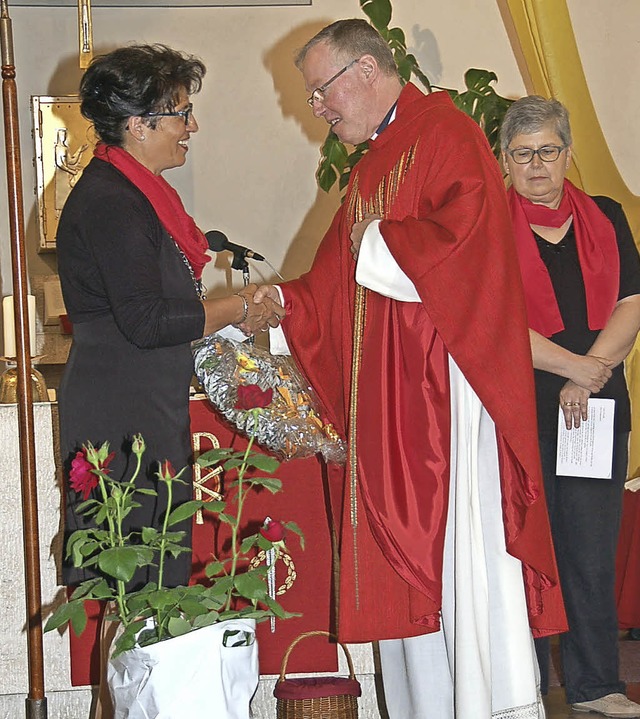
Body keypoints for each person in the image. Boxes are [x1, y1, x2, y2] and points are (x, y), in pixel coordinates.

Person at [256, 19, 567, 718]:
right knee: (412, 578)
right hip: (393, 410)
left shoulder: (446, 132)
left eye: (320, 92)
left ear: (365, 71)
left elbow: (467, 237)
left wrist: (379, 242)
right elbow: (332, 283)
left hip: (446, 397)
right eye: (313, 98)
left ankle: (488, 704)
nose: (318, 108)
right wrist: (280, 302)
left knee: (461, 557)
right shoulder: (371, 163)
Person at [57, 44, 284, 591]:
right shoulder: (113, 201)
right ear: (138, 124)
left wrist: (230, 317)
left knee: (155, 576)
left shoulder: (133, 193)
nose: (192, 125)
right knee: (138, 579)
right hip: (121, 410)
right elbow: (148, 321)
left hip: (141, 402)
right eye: (181, 113)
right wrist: (243, 304)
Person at [500, 95, 640, 717]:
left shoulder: (606, 216)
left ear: (567, 154)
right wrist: (572, 368)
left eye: (547, 151)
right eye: (522, 153)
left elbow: (632, 302)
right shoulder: (486, 226)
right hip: (517, 406)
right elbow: (494, 322)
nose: (536, 165)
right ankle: (521, 686)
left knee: (588, 546)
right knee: (525, 547)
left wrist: (592, 373)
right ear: (503, 159)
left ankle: (596, 685)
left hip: (596, 406)